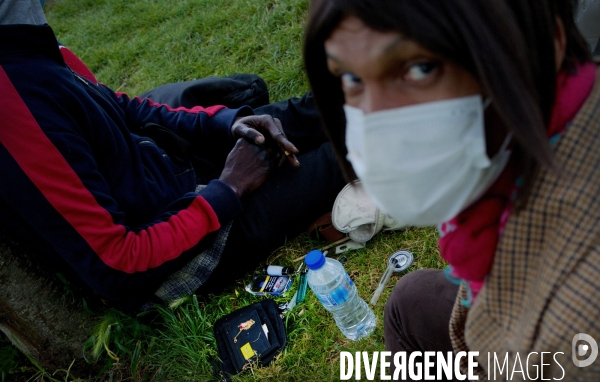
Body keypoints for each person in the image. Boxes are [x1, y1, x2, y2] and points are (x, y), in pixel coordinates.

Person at [303, 0, 599, 380]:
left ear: (544, 42)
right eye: (351, 77)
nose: (378, 132)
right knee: (408, 301)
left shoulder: (574, 324)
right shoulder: (563, 110)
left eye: (421, 68)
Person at [0, 0, 345, 310]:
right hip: (179, 251)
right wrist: (231, 188)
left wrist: (229, 123)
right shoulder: (11, 102)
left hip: (178, 172)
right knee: (336, 159)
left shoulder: (30, 40)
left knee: (299, 114)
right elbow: (116, 267)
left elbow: (121, 108)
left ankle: (390, 78)